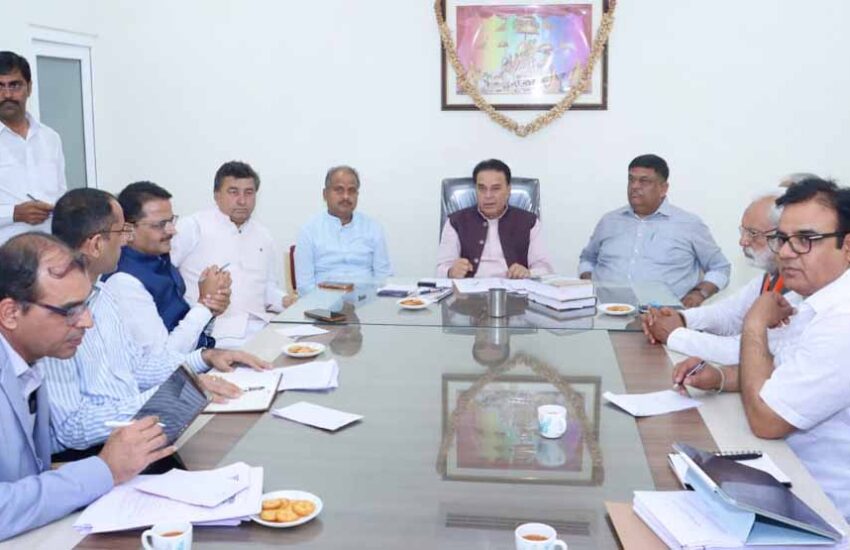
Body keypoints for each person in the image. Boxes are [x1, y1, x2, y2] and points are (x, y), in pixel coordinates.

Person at [672, 178, 850, 518]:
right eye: (782, 239)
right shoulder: (811, 299)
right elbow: (780, 368)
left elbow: (768, 421)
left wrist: (755, 323)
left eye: (805, 240)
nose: (785, 252)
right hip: (785, 470)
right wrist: (721, 377)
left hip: (820, 505)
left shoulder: (842, 320)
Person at [43, 188, 257, 452]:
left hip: (137, 429)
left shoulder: (103, 295)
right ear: (97, 244)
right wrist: (177, 393)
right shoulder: (52, 314)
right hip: (97, 453)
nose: (125, 241)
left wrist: (204, 358)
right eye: (122, 232)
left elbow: (138, 368)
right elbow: (72, 429)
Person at [0, 233, 174, 541]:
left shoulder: (29, 359)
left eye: (86, 305)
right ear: (11, 314)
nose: (87, 322)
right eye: (69, 311)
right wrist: (105, 469)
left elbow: (31, 474)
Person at [641, 191, 798, 364]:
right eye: (743, 231)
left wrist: (673, 334)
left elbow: (745, 351)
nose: (743, 241)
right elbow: (728, 315)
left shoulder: (801, 291)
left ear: (782, 236)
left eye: (753, 233)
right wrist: (680, 318)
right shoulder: (769, 278)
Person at [171, 161, 296, 349]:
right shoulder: (192, 227)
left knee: (312, 350)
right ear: (216, 195)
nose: (242, 200)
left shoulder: (263, 235)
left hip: (261, 327)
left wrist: (285, 301)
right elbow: (165, 276)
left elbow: (266, 289)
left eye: (249, 192)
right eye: (233, 192)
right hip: (214, 334)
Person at [578, 154, 731, 307]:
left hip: (665, 316)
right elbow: (587, 259)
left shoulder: (689, 224)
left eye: (644, 181)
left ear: (663, 188)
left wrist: (699, 294)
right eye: (631, 180)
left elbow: (720, 268)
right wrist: (588, 284)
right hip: (605, 314)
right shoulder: (609, 221)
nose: (635, 186)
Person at [104, 182, 231, 355]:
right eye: (160, 224)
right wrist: (205, 305)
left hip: (198, 359)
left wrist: (212, 309)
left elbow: (184, 328)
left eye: (171, 221)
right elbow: (161, 359)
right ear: (128, 230)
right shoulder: (124, 282)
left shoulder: (160, 259)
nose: (172, 231)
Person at [436, 159, 553, 279]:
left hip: (514, 288)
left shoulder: (529, 222)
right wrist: (451, 271)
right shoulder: (456, 222)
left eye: (495, 188)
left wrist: (528, 273)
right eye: (482, 189)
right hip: (470, 289)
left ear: (508, 190)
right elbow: (441, 269)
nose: (488, 196)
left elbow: (545, 269)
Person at [0, 51, 65, 245]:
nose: (7, 95)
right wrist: (13, 213)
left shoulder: (50, 138)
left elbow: (61, 194)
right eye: (0, 86)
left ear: (29, 88)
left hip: (50, 248)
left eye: (15, 85)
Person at [295, 165, 393, 292]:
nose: (346, 196)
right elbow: (305, 286)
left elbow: (384, 278)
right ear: (325, 194)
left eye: (351, 190)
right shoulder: (309, 231)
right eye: (339, 190)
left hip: (367, 301)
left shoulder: (373, 228)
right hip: (323, 302)